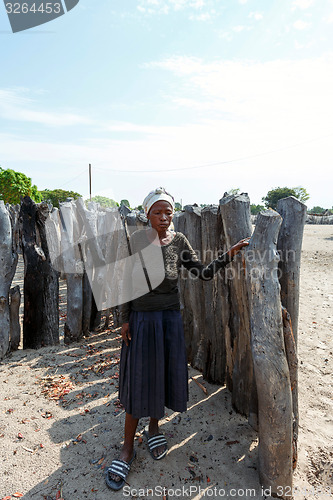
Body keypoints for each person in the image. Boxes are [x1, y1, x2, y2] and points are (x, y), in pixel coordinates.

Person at [105, 187, 249, 490]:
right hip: (142, 321)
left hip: (169, 320)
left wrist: (230, 253)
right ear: (147, 214)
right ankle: (127, 448)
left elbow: (203, 273)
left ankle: (154, 428)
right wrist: (124, 320)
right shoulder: (135, 242)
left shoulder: (179, 241)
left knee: (160, 376)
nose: (163, 217)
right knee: (138, 381)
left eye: (168, 211)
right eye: (157, 211)